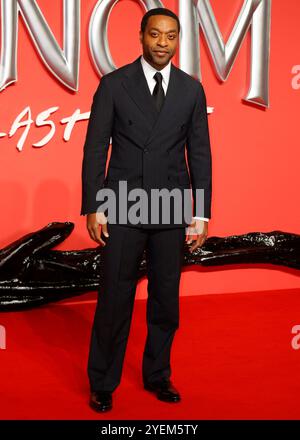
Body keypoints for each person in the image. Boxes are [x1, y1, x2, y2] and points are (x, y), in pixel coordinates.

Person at [81, 7, 212, 412]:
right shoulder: (114, 84)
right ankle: (103, 381)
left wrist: (201, 212)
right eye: (155, 34)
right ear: (140, 36)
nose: (162, 43)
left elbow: (200, 153)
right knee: (114, 298)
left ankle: (158, 375)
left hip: (171, 205)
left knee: (165, 300)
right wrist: (94, 205)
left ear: (178, 41)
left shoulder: (191, 90)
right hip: (122, 202)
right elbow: (96, 148)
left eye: (170, 36)